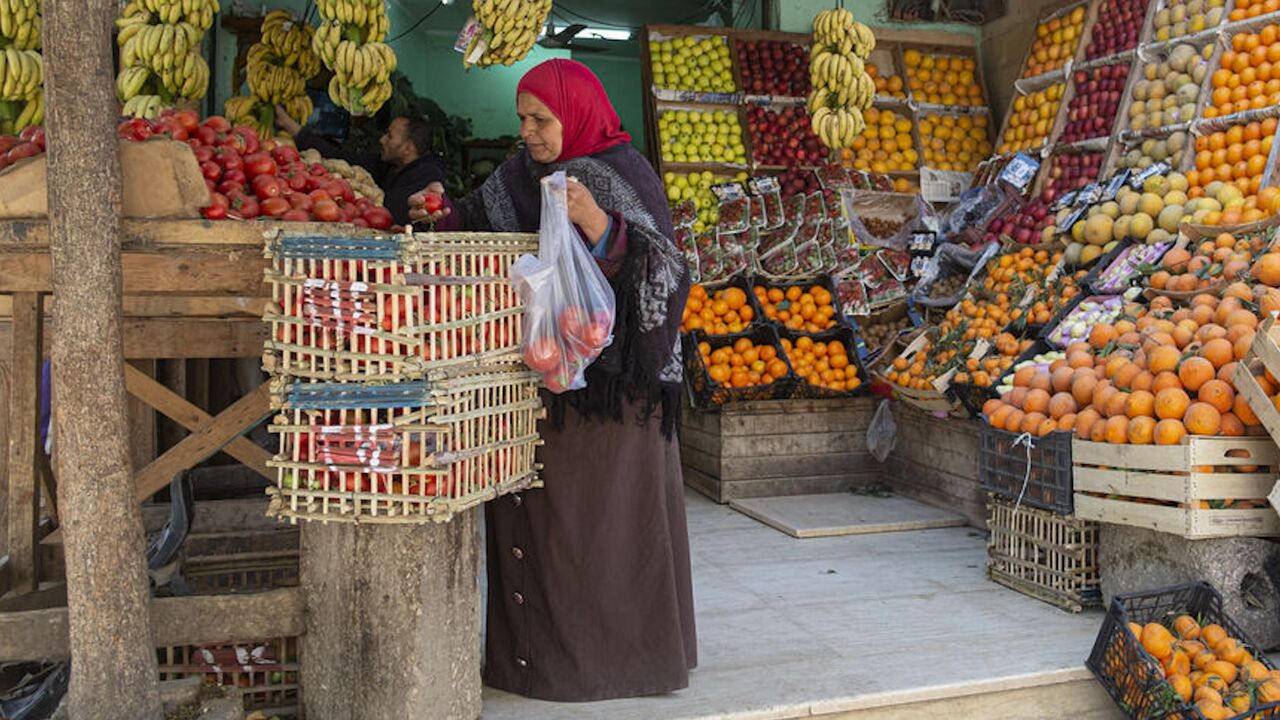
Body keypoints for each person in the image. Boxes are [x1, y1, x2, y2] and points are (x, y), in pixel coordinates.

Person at [410, 58, 696, 702]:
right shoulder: (522, 175)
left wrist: (599, 225)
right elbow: (474, 220)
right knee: (544, 527)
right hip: (541, 377)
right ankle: (534, 664)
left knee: (598, 534)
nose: (529, 132)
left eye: (541, 119)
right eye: (522, 119)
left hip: (612, 397)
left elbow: (669, 276)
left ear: (578, 114)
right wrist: (437, 215)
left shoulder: (622, 174)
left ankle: (618, 664)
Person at [274, 106, 447, 226]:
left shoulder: (428, 176)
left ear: (408, 148)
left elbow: (387, 210)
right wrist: (291, 126)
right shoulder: (388, 164)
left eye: (389, 136)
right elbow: (341, 158)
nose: (381, 140)